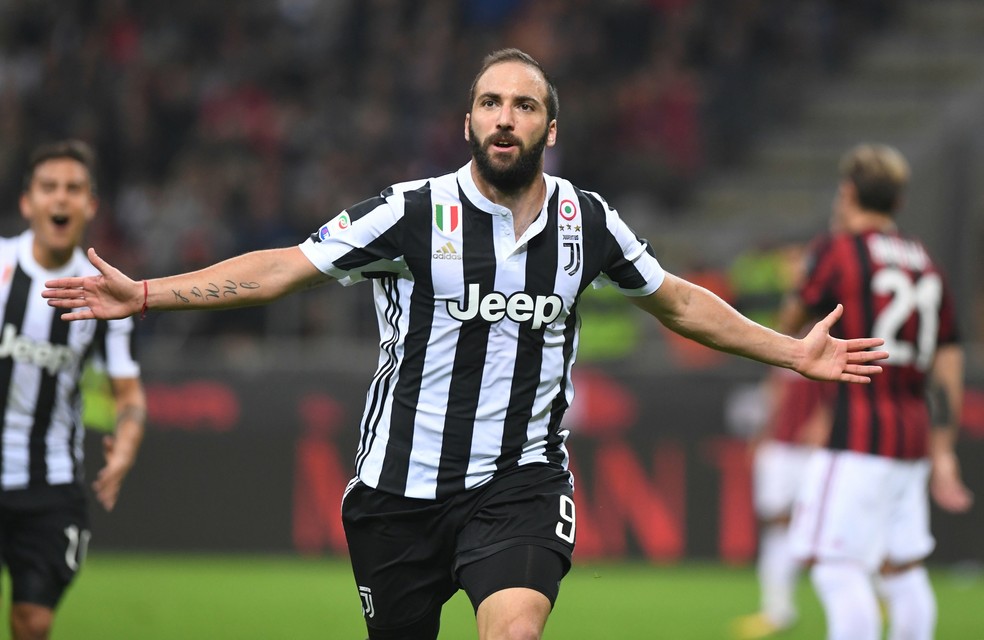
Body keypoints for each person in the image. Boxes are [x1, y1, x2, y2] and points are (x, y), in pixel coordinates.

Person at [42, 50, 886, 640]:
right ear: (470, 120)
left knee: (514, 629)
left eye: (524, 105)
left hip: (517, 483)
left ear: (551, 127)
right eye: (491, 103)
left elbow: (678, 303)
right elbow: (281, 269)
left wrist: (791, 352)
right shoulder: (410, 211)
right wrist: (148, 293)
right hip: (396, 494)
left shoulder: (586, 222)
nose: (505, 118)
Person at [778, 143, 973, 640]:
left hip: (857, 432)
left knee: (836, 566)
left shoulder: (838, 249)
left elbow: (791, 323)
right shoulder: (926, 261)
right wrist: (944, 447)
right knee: (902, 569)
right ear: (899, 202)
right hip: (912, 437)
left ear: (847, 192)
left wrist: (796, 283)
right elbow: (950, 355)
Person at [1, 140, 146, 640]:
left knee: (33, 621)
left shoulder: (108, 291)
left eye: (72, 188)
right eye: (48, 188)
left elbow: (128, 395)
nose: (59, 199)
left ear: (90, 205)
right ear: (27, 202)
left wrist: (126, 444)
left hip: (50, 481)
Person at [731, 370, 833, 639]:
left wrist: (825, 420)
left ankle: (877, 592)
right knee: (777, 523)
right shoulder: (779, 342)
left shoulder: (832, 335)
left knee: (828, 523)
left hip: (814, 451)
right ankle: (777, 610)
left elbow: (842, 391)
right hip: (779, 447)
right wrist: (761, 433)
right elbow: (773, 393)